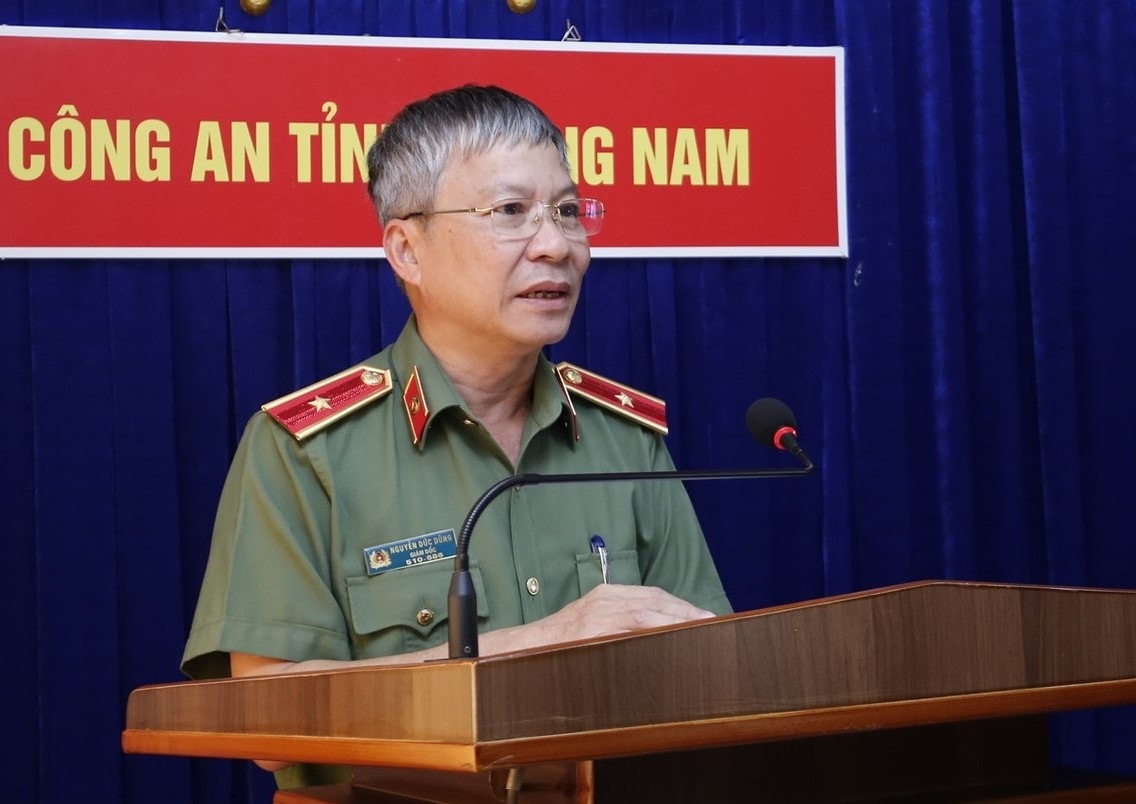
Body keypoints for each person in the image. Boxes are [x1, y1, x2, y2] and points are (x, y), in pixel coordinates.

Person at [180, 84, 731, 789]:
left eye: (568, 211)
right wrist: (536, 645)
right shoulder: (304, 451)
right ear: (407, 250)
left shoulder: (626, 438)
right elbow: (265, 723)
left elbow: (717, 672)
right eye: (510, 213)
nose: (557, 245)